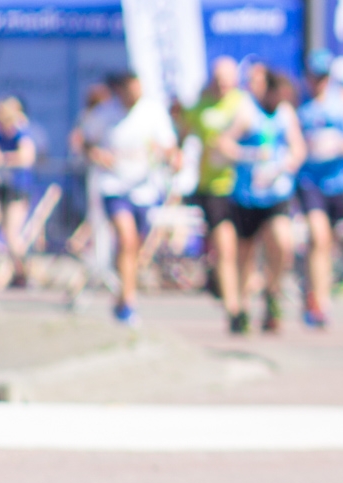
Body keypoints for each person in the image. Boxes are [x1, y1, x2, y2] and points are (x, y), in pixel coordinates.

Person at [80, 72, 180, 324]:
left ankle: (123, 292)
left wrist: (170, 157)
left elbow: (169, 145)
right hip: (114, 184)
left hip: (144, 188)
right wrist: (96, 154)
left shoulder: (153, 112)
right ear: (121, 91)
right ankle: (129, 300)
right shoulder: (105, 113)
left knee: (135, 246)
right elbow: (84, 140)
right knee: (127, 238)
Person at [221, 70, 306, 333]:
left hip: (276, 193)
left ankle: (272, 291)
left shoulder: (285, 114)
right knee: (245, 253)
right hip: (247, 195)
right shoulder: (247, 112)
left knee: (282, 242)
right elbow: (224, 143)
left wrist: (288, 163)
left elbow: (298, 148)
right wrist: (250, 155)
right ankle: (242, 307)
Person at [176, 57, 251, 332]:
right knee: (225, 247)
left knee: (246, 249)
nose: (221, 85)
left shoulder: (243, 103)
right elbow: (184, 132)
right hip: (213, 187)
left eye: (226, 80)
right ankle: (233, 309)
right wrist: (177, 153)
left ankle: (244, 298)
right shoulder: (202, 106)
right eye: (218, 80)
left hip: (245, 186)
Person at [297, 49, 343, 328]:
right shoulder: (300, 103)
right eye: (314, 77)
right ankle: (320, 303)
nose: (319, 82)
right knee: (319, 237)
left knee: (327, 244)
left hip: (338, 179)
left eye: (323, 77)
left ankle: (311, 287)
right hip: (310, 179)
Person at [0, 98, 38, 287]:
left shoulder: (21, 133)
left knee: (12, 234)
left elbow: (27, 157)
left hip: (18, 189)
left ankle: (24, 272)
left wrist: (4, 158)